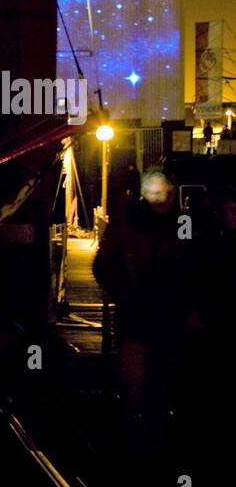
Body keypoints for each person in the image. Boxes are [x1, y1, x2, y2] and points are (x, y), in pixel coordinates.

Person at [92, 166, 189, 419]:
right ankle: (136, 417)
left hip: (170, 309)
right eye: (156, 193)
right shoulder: (129, 225)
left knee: (165, 369)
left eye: (165, 192)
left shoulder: (181, 222)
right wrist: (122, 291)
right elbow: (103, 265)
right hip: (138, 308)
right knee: (135, 374)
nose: (162, 199)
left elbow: (191, 259)